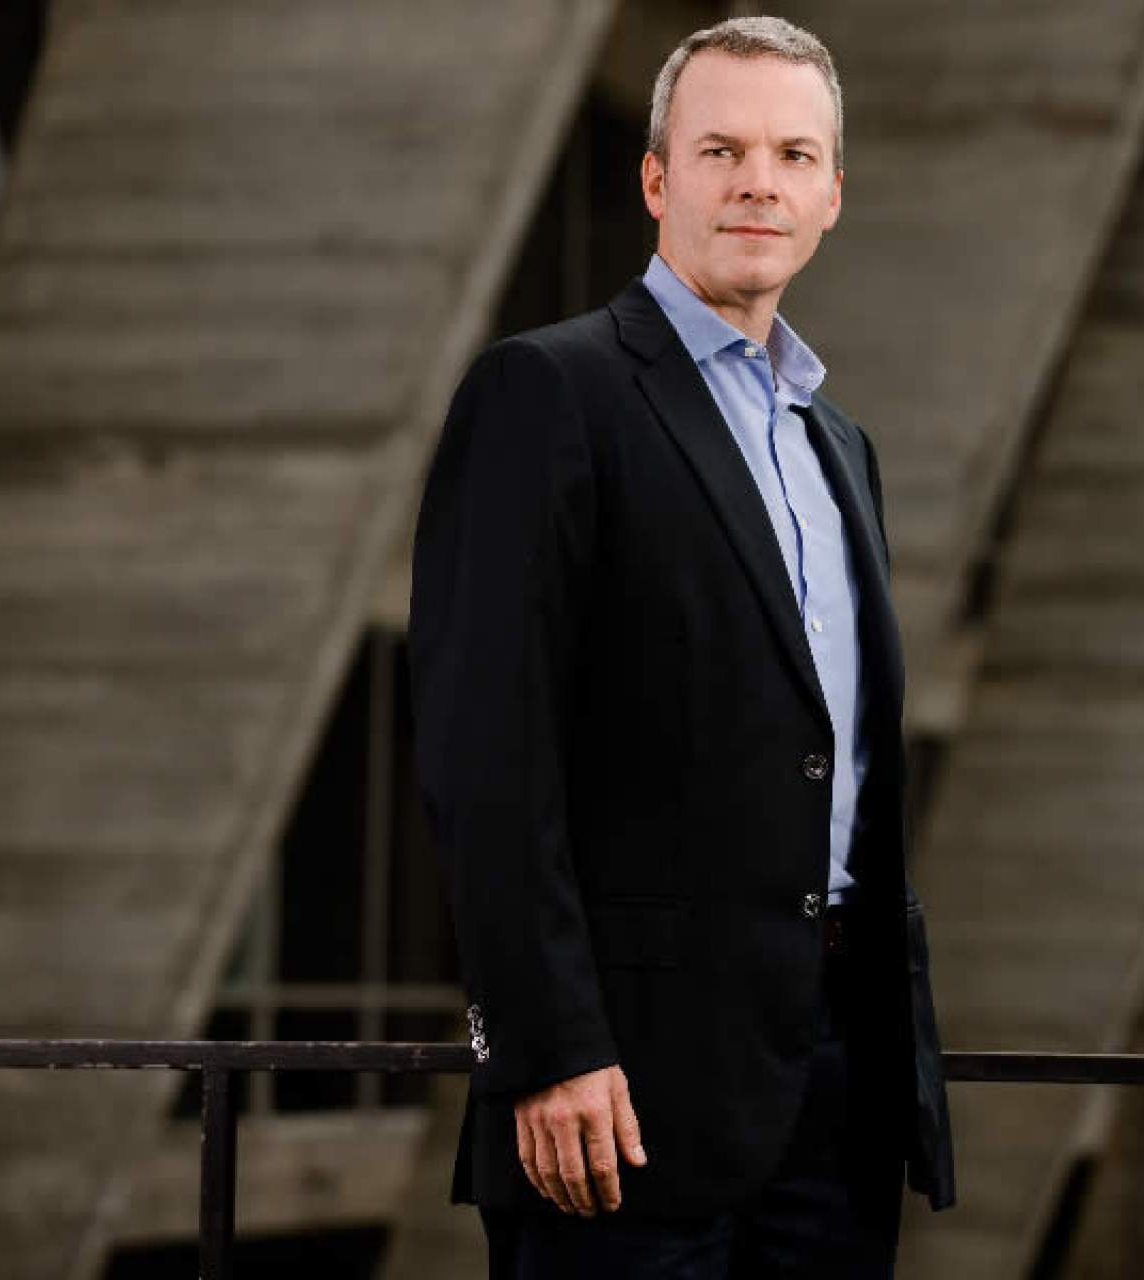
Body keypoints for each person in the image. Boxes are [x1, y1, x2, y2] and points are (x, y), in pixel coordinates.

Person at [406, 16, 956, 1276]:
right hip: (618, 1097)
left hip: (838, 1085)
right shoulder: (548, 392)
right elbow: (485, 751)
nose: (758, 181)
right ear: (657, 180)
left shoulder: (841, 448)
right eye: (721, 150)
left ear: (830, 195)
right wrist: (547, 1045)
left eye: (792, 155)